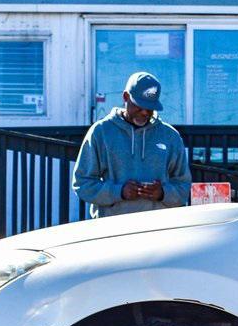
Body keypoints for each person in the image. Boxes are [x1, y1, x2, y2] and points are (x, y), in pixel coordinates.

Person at [72, 72, 191, 218]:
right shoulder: (101, 132)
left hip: (160, 225)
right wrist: (119, 192)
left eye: (150, 108)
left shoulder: (170, 136)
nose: (144, 112)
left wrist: (163, 193)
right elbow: (82, 183)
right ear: (125, 97)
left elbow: (184, 186)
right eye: (139, 106)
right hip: (113, 226)